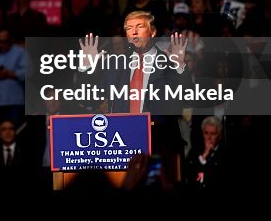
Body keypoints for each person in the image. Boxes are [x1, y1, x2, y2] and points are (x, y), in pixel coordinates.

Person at [79, 10, 194, 171]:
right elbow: (89, 99)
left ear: (153, 32)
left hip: (159, 149)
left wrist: (180, 67)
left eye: (139, 26)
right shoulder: (115, 65)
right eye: (129, 28)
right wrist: (87, 68)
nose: (133, 31)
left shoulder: (169, 63)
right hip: (121, 147)